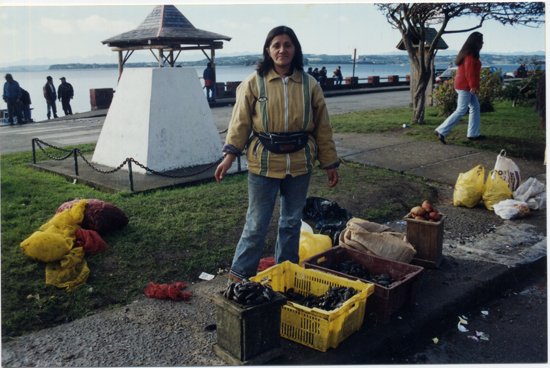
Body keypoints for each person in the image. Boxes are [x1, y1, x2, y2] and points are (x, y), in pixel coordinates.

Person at [214, 25, 340, 283]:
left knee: (292, 222)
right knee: (256, 223)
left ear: (295, 49)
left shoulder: (310, 84)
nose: (282, 49)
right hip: (263, 163)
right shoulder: (253, 83)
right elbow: (240, 123)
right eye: (277, 45)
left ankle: (287, 274)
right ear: (268, 51)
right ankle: (239, 278)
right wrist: (229, 157)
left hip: (300, 164)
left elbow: (322, 127)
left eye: (288, 44)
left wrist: (329, 163)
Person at [435, 32, 485, 144]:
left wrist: (474, 86)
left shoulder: (470, 54)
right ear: (475, 43)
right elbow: (470, 72)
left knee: (475, 107)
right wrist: (473, 86)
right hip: (464, 86)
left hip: (465, 86)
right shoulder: (470, 56)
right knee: (461, 110)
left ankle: (473, 134)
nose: (482, 43)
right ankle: (441, 130)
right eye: (481, 41)